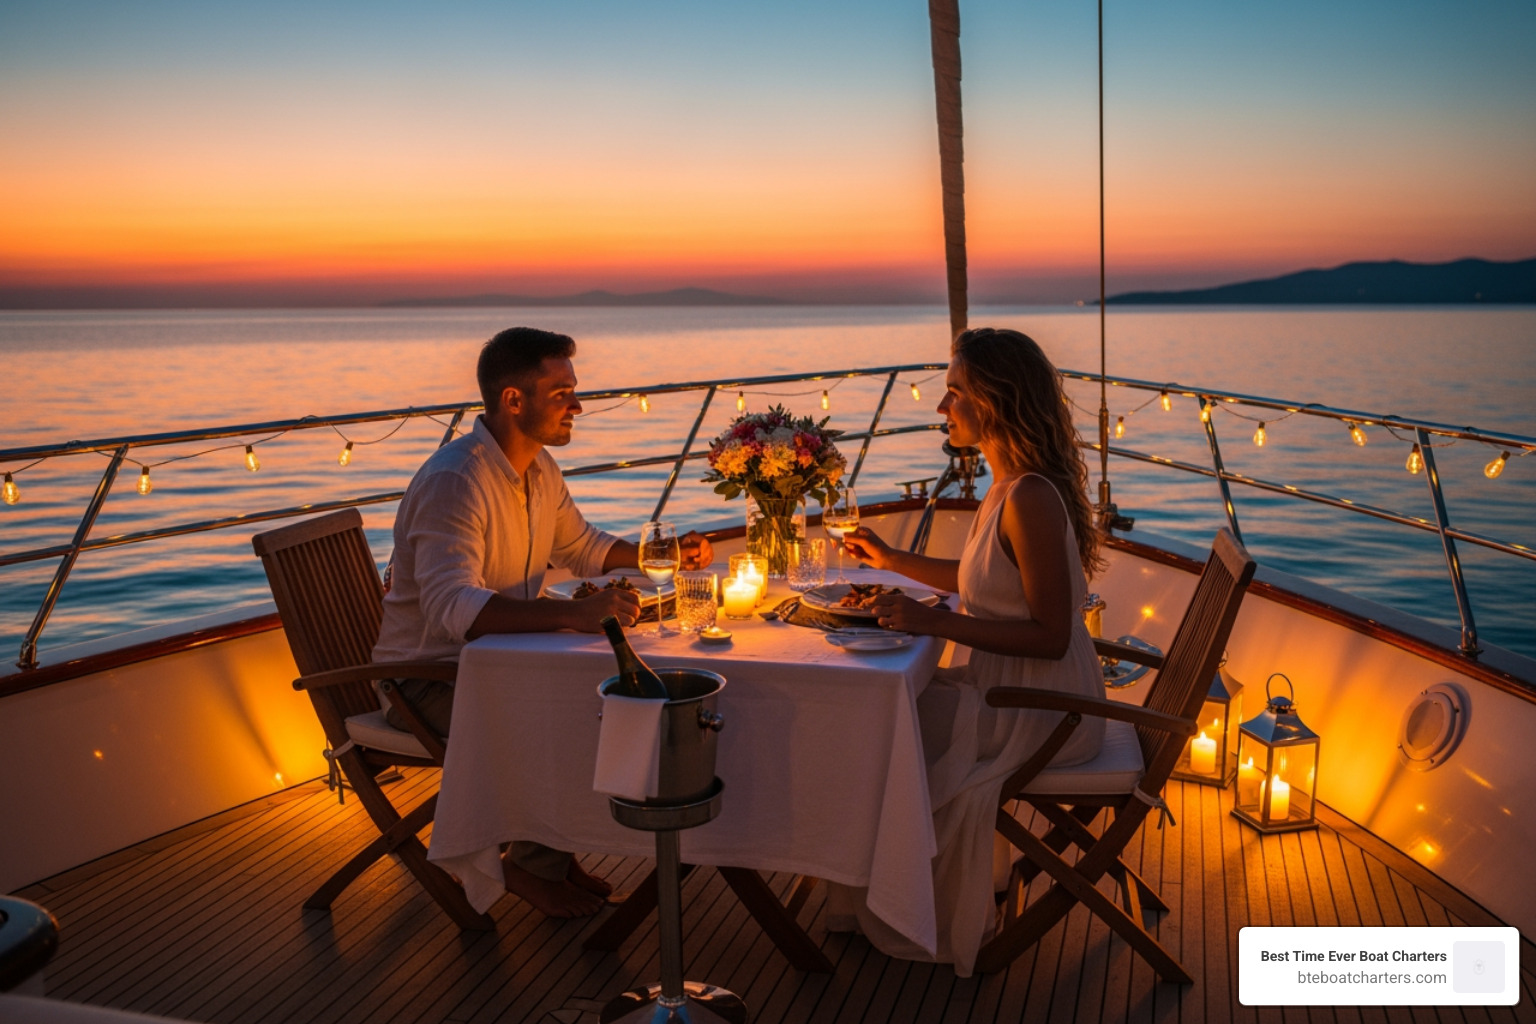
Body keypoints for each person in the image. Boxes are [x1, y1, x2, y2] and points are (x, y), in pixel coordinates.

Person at [373, 326, 713, 918]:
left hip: (500, 667)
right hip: (429, 681)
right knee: (586, 711)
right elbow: (455, 611)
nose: (578, 404)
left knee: (603, 698)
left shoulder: (537, 468)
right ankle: (529, 865)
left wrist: (661, 554)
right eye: (562, 393)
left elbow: (579, 546)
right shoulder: (457, 480)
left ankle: (549, 851)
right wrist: (575, 615)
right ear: (513, 400)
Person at [834, 327, 1105, 976]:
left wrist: (937, 628)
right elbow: (983, 580)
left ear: (995, 400)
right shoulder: (1007, 483)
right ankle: (885, 891)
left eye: (953, 392)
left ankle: (903, 905)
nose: (940, 408)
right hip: (1006, 691)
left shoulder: (1032, 496)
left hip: (1043, 712)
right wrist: (893, 560)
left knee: (877, 731)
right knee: (885, 720)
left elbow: (1050, 635)